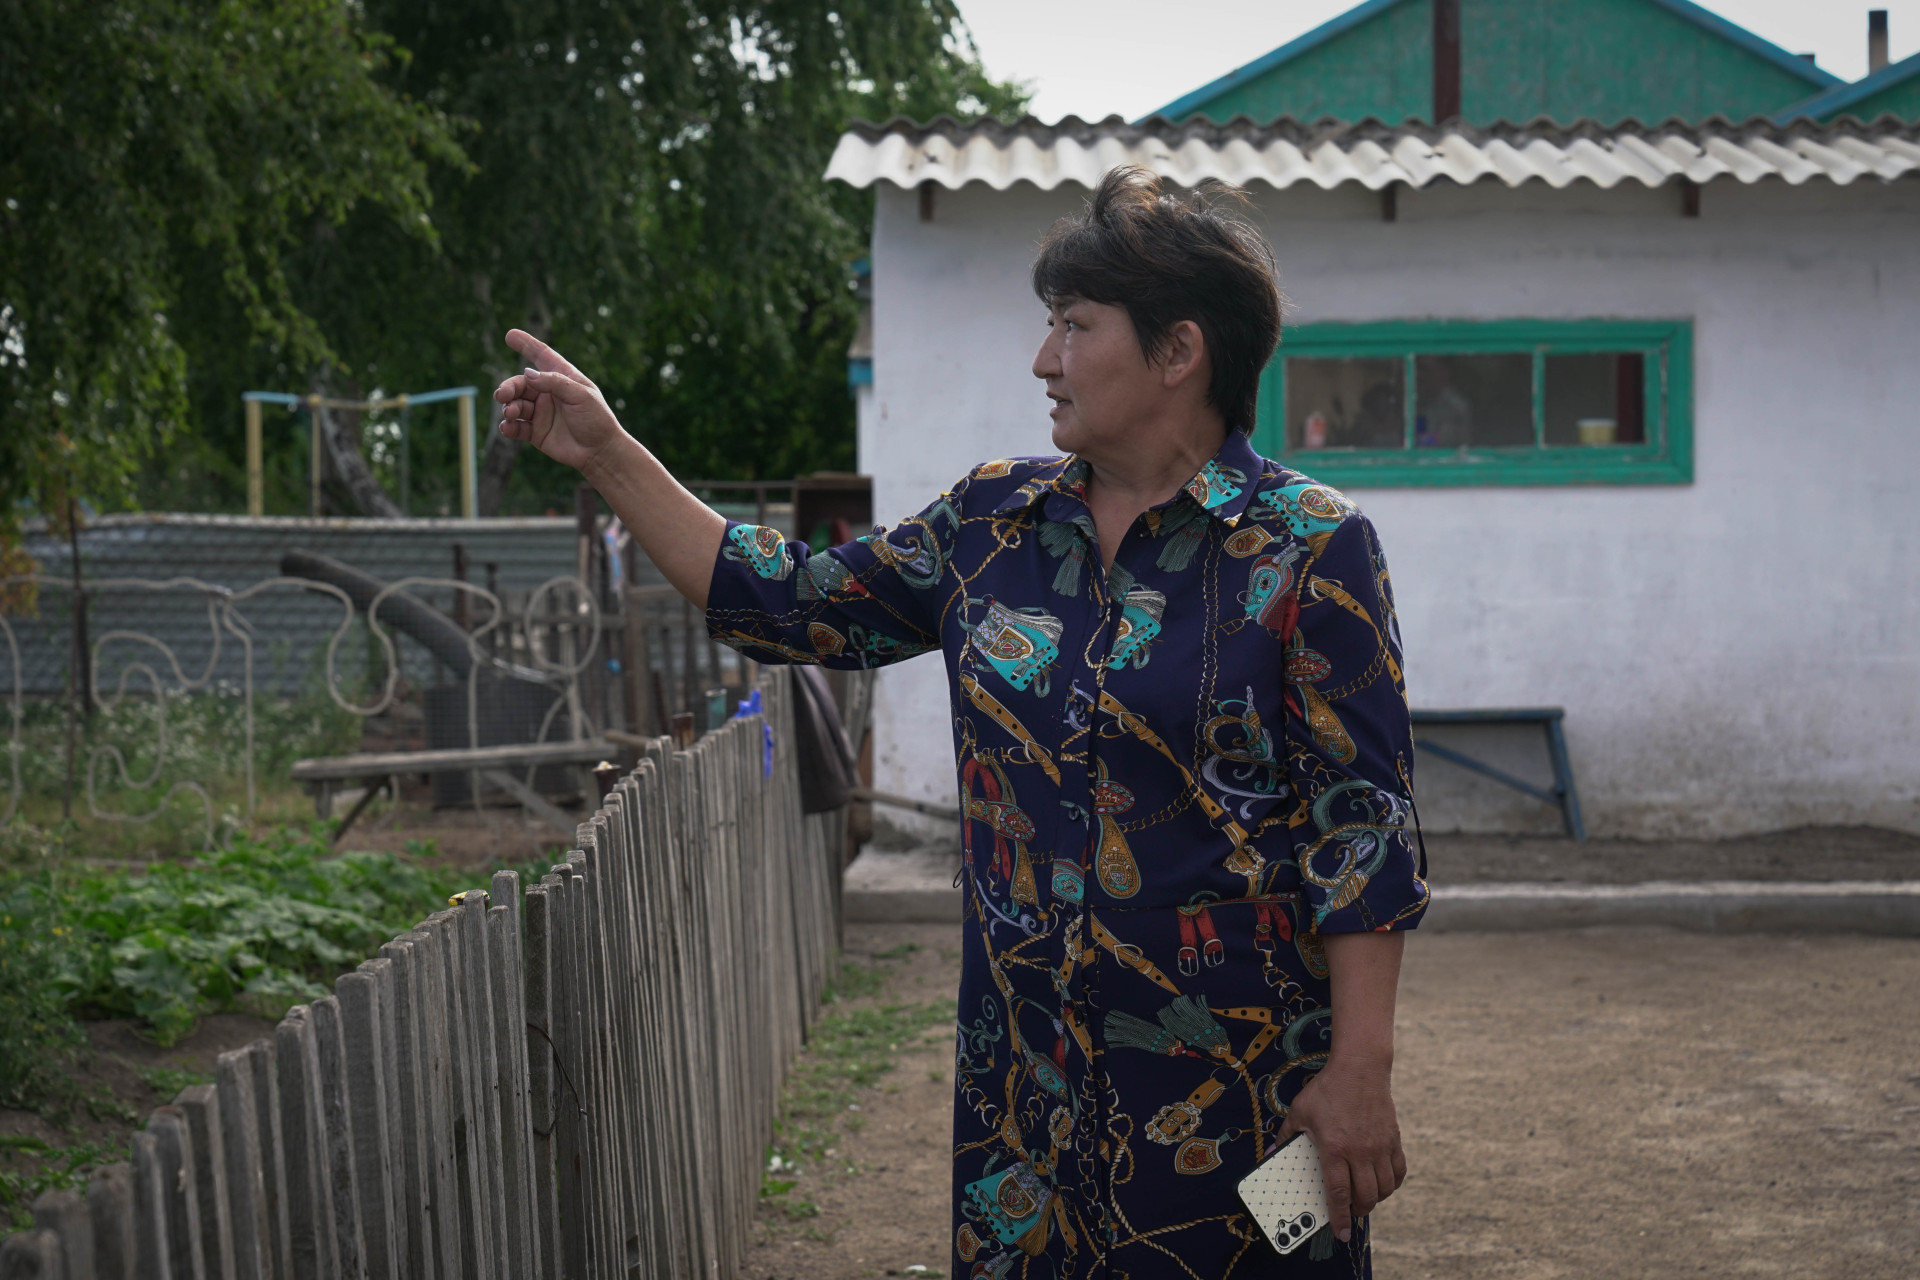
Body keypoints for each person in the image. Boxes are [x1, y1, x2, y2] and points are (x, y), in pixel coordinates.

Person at [493, 165, 1428, 1278]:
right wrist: (606, 452)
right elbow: (786, 600)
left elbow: (1361, 828)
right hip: (1024, 1091)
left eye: (1074, 326)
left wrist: (1361, 1069)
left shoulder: (1312, 547)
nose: (1044, 360)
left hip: (1237, 1092)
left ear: (1180, 351)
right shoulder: (994, 522)